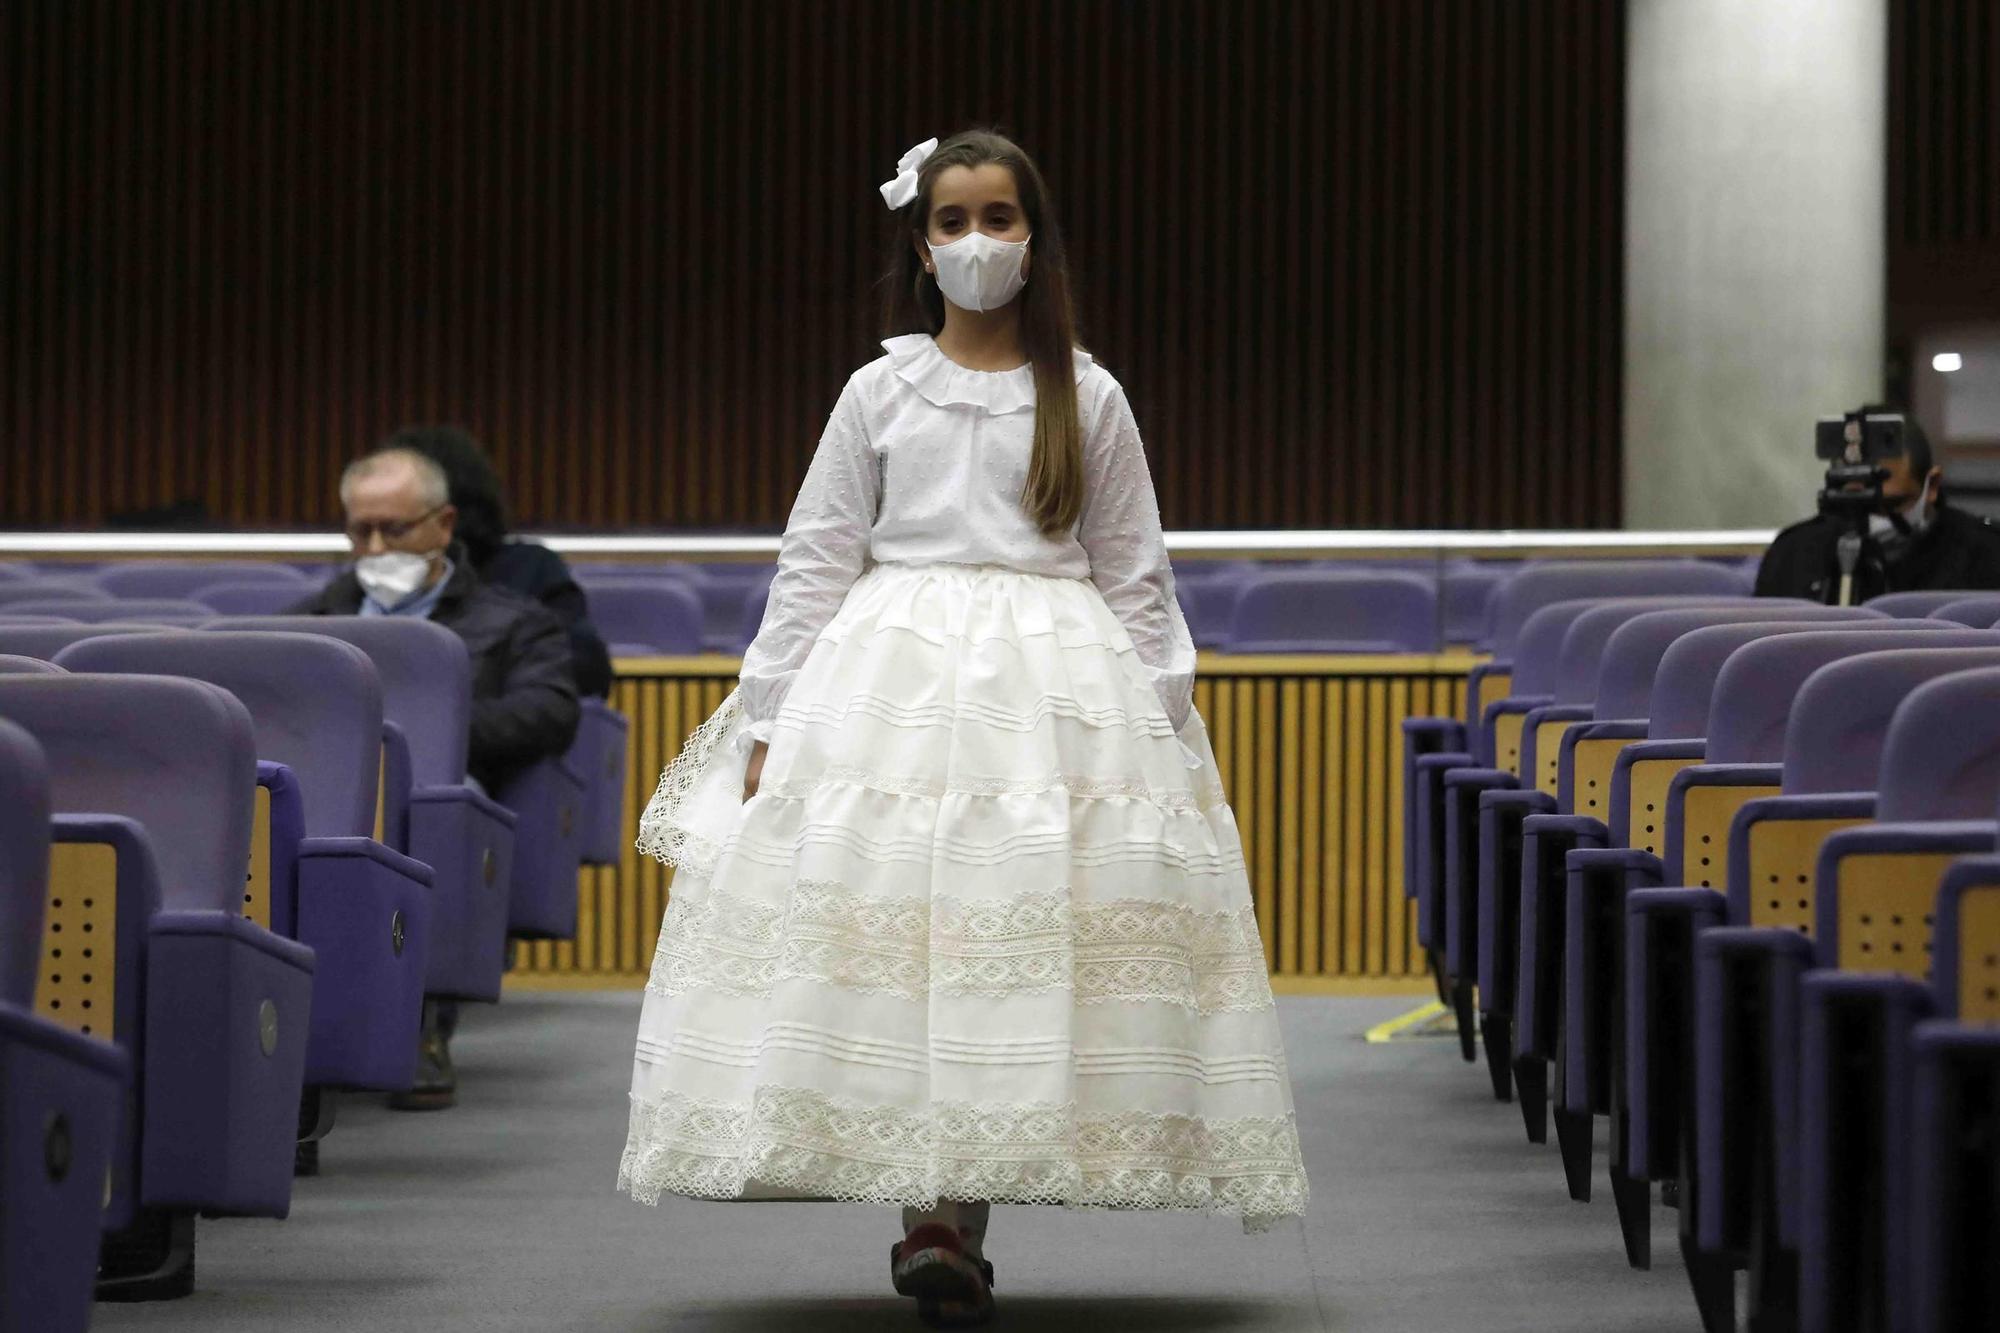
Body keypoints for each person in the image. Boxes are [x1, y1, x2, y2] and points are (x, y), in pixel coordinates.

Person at [617, 131, 1308, 1327]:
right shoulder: (877, 391)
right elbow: (816, 556)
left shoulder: (1085, 392)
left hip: (1054, 696)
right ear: (920, 242)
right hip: (887, 684)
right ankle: (932, 1215)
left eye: (997, 217)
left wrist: (1163, 731)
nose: (975, 242)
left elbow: (1135, 574)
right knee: (901, 942)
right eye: (951, 220)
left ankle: (960, 1205)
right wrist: (768, 713)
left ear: (1033, 241)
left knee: (1009, 939)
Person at [298, 446, 582, 1109]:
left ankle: (425, 1019)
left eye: (393, 530)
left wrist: (437, 732)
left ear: (443, 524)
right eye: (359, 530)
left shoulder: (512, 620)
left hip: (445, 790)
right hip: (332, 791)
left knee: (442, 810)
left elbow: (551, 711)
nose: (373, 547)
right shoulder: (308, 622)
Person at [387, 425, 614, 699]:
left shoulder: (530, 569)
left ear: (446, 514)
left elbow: (587, 667)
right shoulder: (370, 581)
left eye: (398, 522)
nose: (381, 540)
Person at [1756, 408, 2000, 603]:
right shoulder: (1791, 555)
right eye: (1850, 504)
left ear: (1932, 486)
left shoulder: (1987, 555)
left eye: (1890, 504)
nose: (1869, 520)